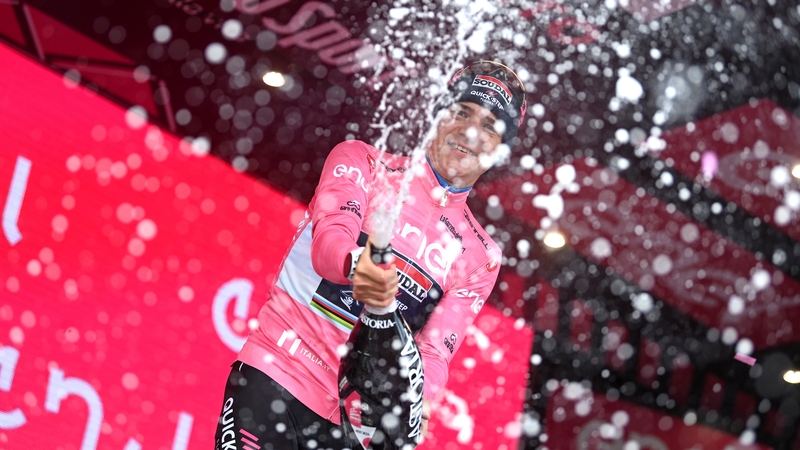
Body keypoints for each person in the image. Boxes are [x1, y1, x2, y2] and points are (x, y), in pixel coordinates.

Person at [214, 60, 527, 450]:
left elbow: (434, 352)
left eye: (489, 126)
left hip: (351, 429)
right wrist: (355, 265)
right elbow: (329, 241)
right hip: (276, 378)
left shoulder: (481, 255)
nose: (469, 132)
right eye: (462, 112)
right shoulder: (361, 160)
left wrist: (421, 403)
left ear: (500, 150)